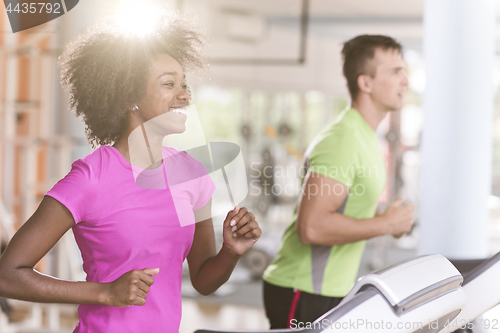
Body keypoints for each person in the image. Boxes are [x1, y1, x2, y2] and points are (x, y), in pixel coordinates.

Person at [0, 9, 261, 333]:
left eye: (184, 83)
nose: (184, 94)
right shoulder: (90, 179)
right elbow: (8, 275)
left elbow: (204, 279)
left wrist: (231, 252)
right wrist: (104, 292)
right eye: (169, 84)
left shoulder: (192, 174)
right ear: (129, 96)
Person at [262, 35, 415, 329]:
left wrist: (385, 219)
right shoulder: (342, 140)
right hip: (302, 288)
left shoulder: (366, 137)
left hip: (330, 288)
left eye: (404, 71)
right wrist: (385, 225)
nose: (405, 81)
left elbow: (344, 211)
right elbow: (312, 227)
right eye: (395, 72)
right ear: (365, 83)